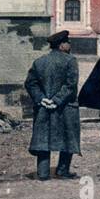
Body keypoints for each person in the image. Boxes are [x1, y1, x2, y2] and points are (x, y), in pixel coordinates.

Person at [25, 30, 81, 181]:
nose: (69, 45)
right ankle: (62, 170)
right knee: (68, 137)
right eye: (68, 42)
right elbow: (70, 85)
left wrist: (42, 99)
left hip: (43, 107)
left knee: (43, 138)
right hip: (66, 107)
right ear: (62, 45)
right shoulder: (70, 61)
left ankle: (43, 173)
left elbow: (30, 83)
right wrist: (56, 100)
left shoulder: (39, 62)